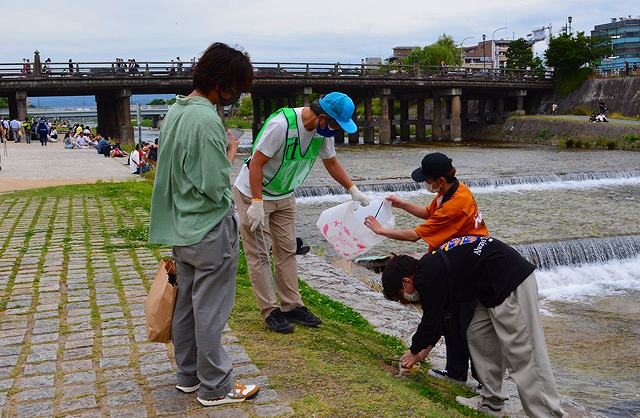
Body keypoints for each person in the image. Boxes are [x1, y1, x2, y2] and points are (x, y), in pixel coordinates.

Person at [148, 42, 259, 407]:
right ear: (222, 83)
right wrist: (230, 151)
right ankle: (217, 386)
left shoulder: (176, 112)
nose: (236, 96)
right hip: (210, 228)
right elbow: (215, 186)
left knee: (187, 306)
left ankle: (189, 375)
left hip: (182, 226)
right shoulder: (207, 119)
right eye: (237, 88)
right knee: (210, 308)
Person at [381, 237, 567, 418]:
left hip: (511, 281)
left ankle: (548, 413)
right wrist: (423, 350)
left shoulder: (426, 276)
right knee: (478, 333)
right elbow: (441, 317)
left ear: (406, 282)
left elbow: (431, 319)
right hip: (488, 288)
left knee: (525, 353)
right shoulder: (432, 266)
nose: (405, 299)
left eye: (401, 295)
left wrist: (414, 350)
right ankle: (491, 402)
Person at [233, 92, 371, 334]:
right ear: (323, 116)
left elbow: (331, 162)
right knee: (260, 253)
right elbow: (256, 163)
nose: (335, 131)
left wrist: (352, 188)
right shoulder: (281, 126)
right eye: (335, 124)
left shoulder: (321, 130)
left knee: (287, 250)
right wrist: (256, 203)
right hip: (254, 193)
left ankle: (291, 305)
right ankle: (270, 311)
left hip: (284, 193)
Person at [364, 152, 488, 388]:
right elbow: (429, 214)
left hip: (469, 265)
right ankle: (456, 372)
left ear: (440, 180)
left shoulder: (458, 203)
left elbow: (414, 236)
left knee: (465, 324)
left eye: (427, 180)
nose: (426, 184)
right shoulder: (449, 192)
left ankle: (486, 383)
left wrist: (381, 231)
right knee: (452, 318)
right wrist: (401, 204)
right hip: (455, 262)